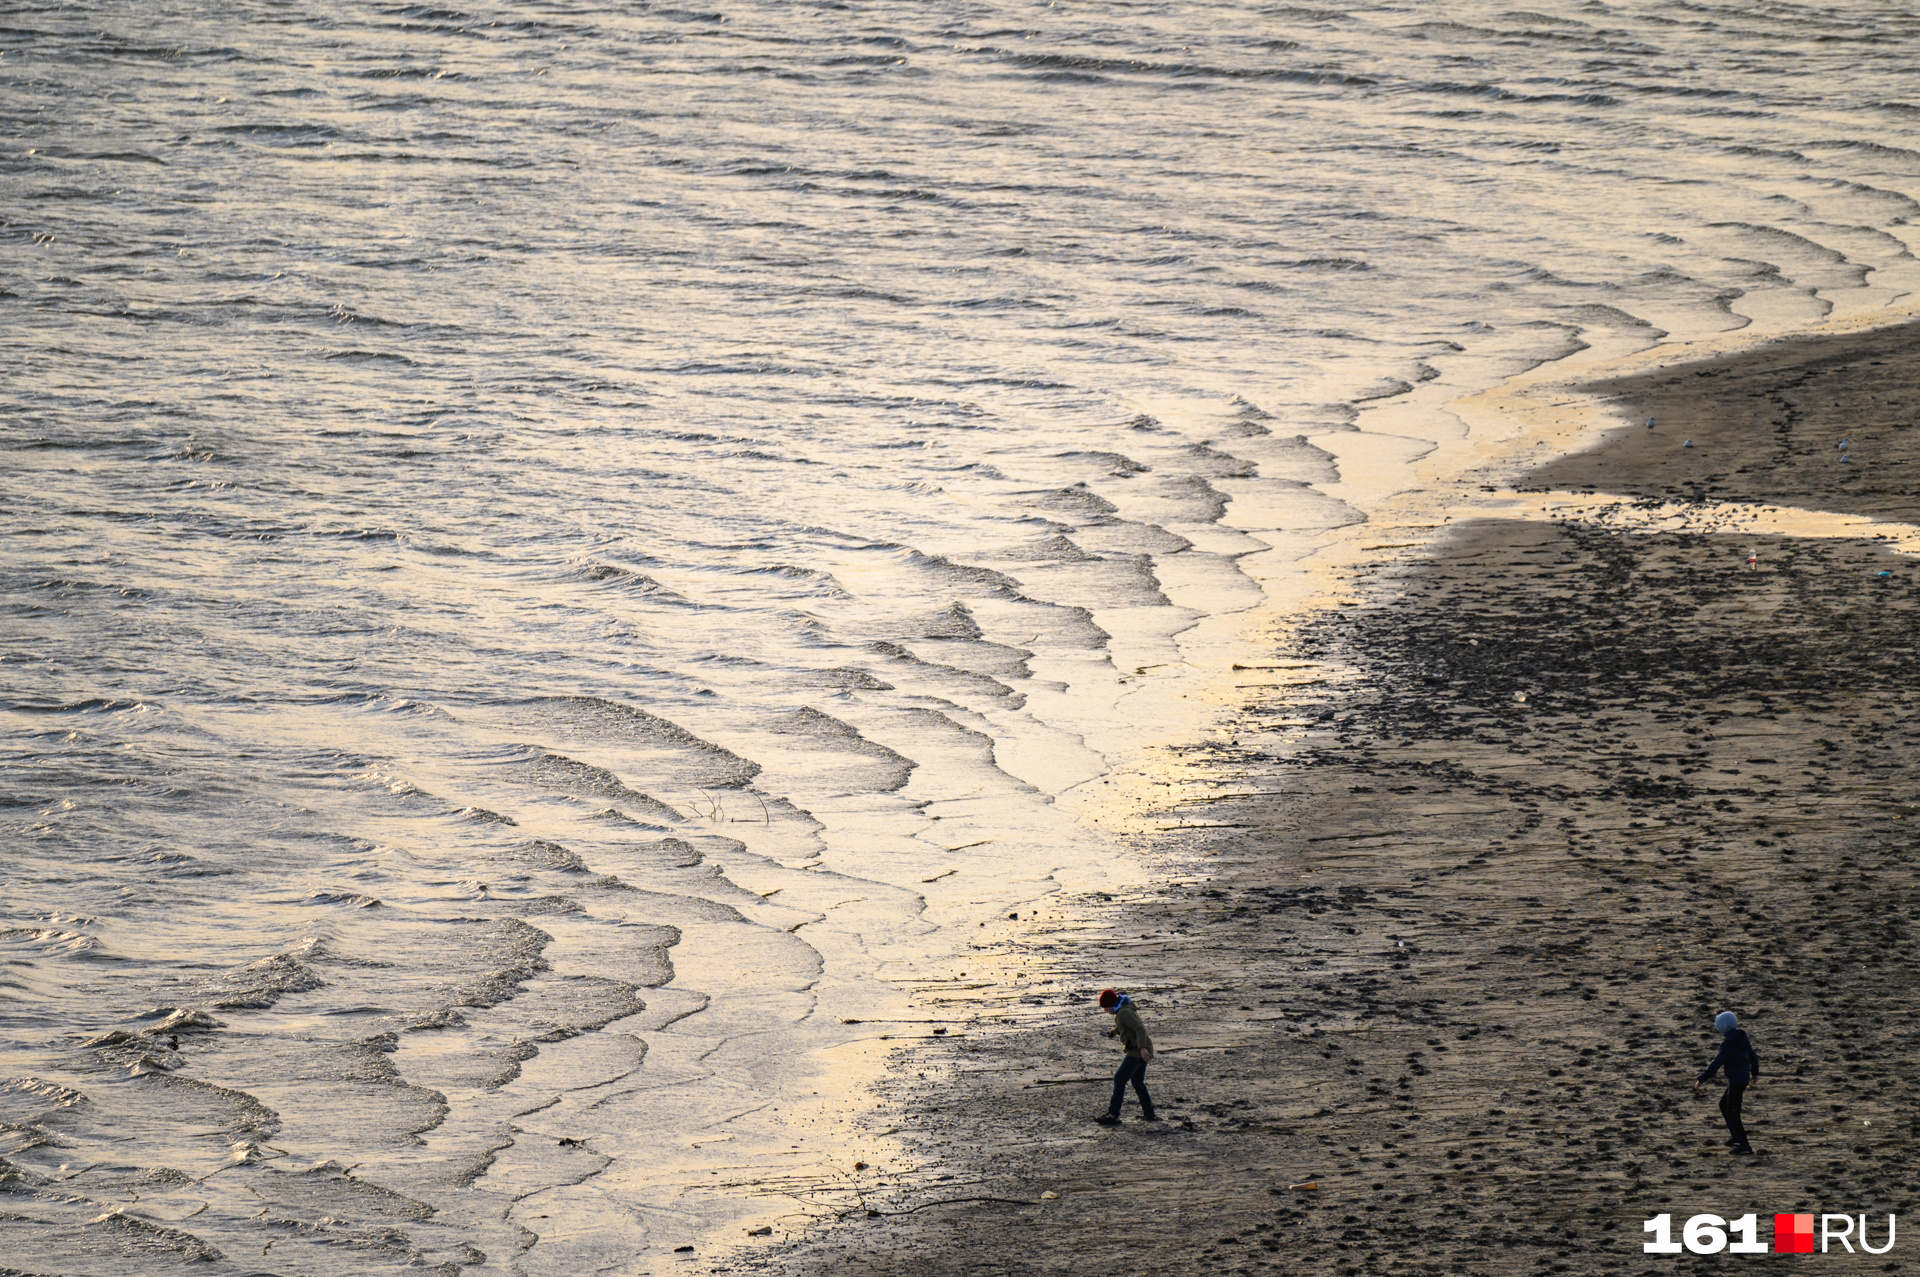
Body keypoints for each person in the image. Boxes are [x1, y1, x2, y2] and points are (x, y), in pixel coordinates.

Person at [1695, 1010, 1760, 1154]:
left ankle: (1745, 1145)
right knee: (1724, 1105)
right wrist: (1755, 1073)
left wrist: (1702, 1078)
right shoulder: (1742, 1038)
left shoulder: (1727, 1044)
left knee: (1733, 1112)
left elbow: (1717, 1063)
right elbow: (1753, 1056)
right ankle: (1736, 1137)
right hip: (1741, 1078)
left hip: (1737, 1080)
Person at [1094, 988, 1157, 1125]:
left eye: (1105, 1007)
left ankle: (1113, 1114)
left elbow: (1140, 1029)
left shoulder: (1123, 1012)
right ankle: (1149, 1113)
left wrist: (1142, 1049)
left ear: (1111, 1003)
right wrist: (1115, 1031)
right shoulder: (1122, 1009)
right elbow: (1128, 1027)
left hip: (1137, 1051)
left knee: (1119, 1079)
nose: (1105, 1010)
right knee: (1137, 1081)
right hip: (1141, 1049)